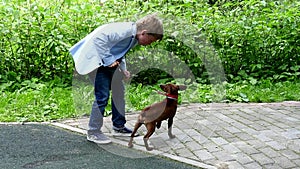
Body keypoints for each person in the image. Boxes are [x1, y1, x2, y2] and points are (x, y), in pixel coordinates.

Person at [69, 14, 163, 144]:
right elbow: (98, 39)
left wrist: (123, 70)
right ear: (144, 33)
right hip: (96, 61)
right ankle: (93, 132)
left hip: (106, 61)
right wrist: (109, 59)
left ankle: (118, 126)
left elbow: (120, 52)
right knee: (102, 95)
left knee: (119, 91)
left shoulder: (134, 38)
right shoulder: (124, 31)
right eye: (151, 40)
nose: (149, 44)